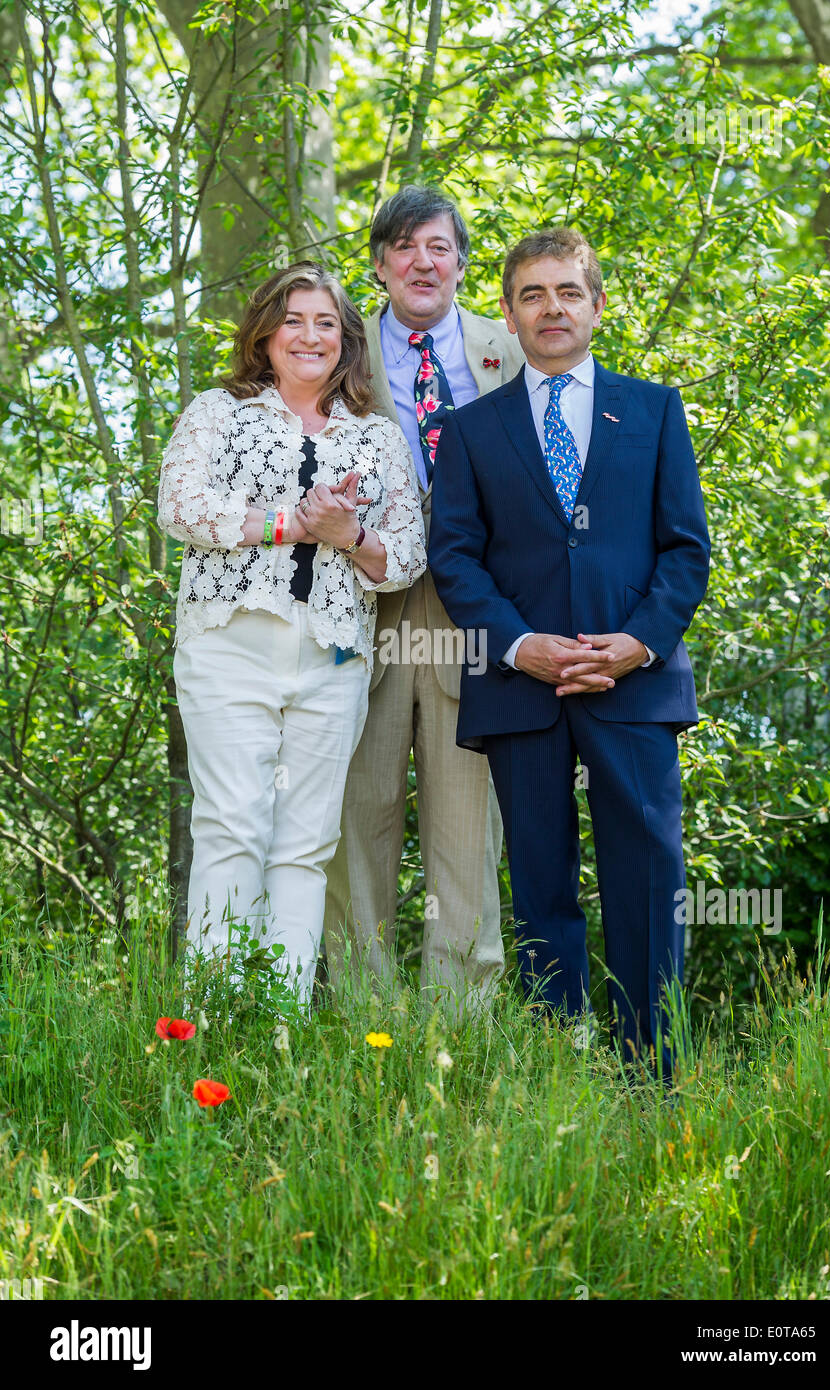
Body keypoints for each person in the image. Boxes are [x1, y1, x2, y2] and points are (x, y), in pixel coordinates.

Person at [427, 228, 711, 1081]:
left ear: (596, 305)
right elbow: (455, 557)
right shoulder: (469, 431)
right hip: (521, 690)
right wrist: (521, 646)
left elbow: (685, 550)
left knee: (648, 879)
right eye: (532, 295)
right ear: (508, 316)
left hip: (634, 685)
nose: (552, 308)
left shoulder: (654, 410)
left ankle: (649, 1078)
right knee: (540, 886)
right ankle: (559, 1080)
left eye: (568, 292)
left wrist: (635, 644)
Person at [157, 262, 426, 1007]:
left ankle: (279, 1022)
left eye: (327, 324)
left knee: (306, 845)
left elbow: (405, 556)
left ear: (348, 343)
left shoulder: (378, 438)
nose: (311, 336)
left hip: (333, 658)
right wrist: (288, 524)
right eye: (295, 320)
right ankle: (209, 1018)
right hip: (228, 646)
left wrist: (350, 532)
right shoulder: (218, 411)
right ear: (267, 334)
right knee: (233, 825)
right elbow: (180, 506)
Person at [323, 186, 524, 1016]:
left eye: (438, 247)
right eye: (403, 247)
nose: (422, 262)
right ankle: (364, 1016)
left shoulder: (506, 352)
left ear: (462, 263)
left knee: (466, 831)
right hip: (356, 611)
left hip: (472, 618)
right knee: (352, 822)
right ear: (379, 264)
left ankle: (463, 1029)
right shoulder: (337, 348)